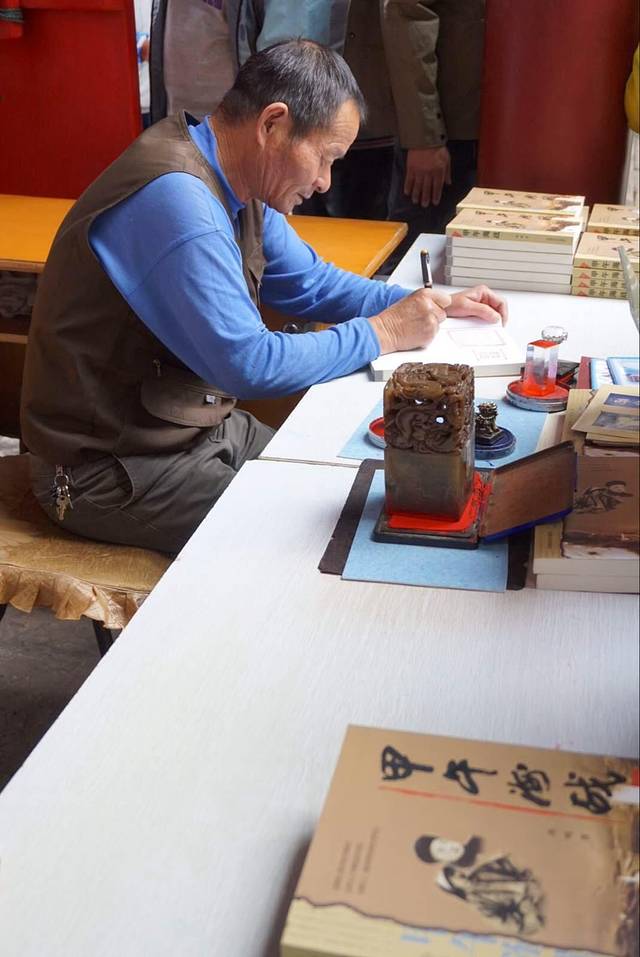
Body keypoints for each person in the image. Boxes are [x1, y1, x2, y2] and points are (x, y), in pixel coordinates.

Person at [21, 41, 506, 554]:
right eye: (324, 158)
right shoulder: (178, 200)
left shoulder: (239, 185)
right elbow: (249, 363)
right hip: (105, 470)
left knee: (335, 483)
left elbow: (311, 283)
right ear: (273, 124)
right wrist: (383, 331)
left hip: (190, 430)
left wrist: (425, 304)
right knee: (320, 537)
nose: (324, 182)